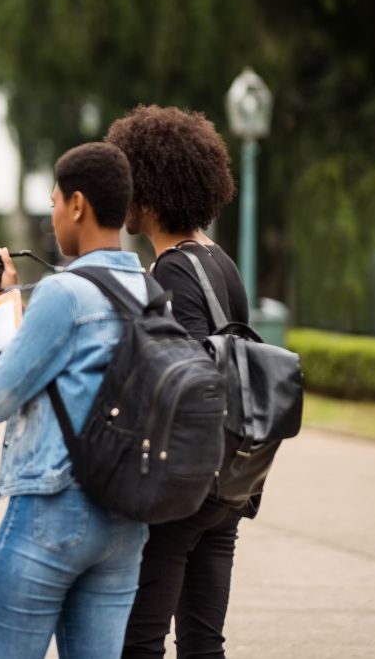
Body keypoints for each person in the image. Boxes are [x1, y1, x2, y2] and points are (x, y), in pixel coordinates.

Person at [0, 142, 149, 658]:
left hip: (55, 508)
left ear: (78, 205)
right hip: (127, 519)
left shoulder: (65, 293)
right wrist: (13, 302)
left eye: (54, 203)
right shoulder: (149, 290)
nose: (54, 215)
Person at [105, 105, 247, 659]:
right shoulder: (220, 262)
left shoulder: (171, 273)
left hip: (186, 485)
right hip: (228, 480)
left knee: (139, 642)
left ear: (148, 191)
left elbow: (182, 378)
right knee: (203, 643)